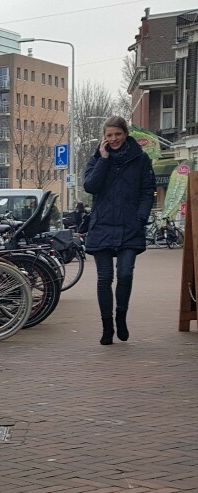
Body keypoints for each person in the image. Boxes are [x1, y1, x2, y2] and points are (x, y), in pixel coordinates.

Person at [82, 116, 154, 345]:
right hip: (102, 225)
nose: (113, 139)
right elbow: (90, 186)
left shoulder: (141, 160)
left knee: (125, 274)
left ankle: (121, 317)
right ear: (104, 138)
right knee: (104, 279)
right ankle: (107, 326)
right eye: (109, 135)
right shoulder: (96, 159)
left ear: (126, 134)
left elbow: (147, 191)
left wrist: (140, 218)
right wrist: (103, 160)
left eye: (117, 134)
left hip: (129, 227)